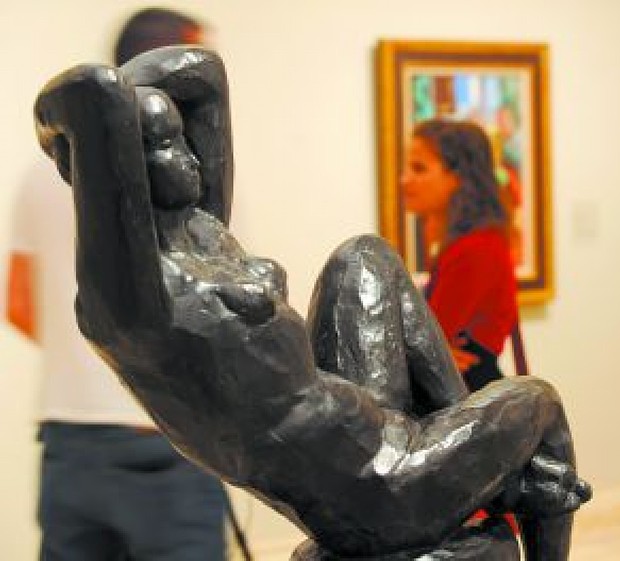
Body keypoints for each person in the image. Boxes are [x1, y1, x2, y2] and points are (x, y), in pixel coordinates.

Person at [33, 45, 591, 560]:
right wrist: (74, 135)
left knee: (362, 256)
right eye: (163, 145)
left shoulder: (203, 233)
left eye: (180, 139)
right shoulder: (137, 307)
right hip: (376, 488)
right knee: (538, 400)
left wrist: (141, 108)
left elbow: (201, 72)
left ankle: (474, 459)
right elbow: (92, 91)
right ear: (121, 165)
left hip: (365, 422)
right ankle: (502, 485)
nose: (190, 159)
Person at [6, 9, 228, 561]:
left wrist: (91, 359)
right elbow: (218, 312)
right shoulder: (190, 171)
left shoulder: (41, 170)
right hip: (165, 436)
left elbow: (18, 304)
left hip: (69, 439)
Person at [401, 118, 519, 392]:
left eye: (419, 168)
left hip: (467, 396)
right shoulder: (465, 243)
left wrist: (425, 353)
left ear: (457, 177)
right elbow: (425, 346)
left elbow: (426, 341)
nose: (404, 180)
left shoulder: (477, 248)